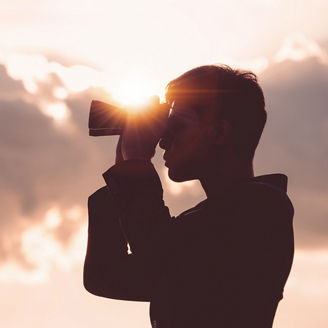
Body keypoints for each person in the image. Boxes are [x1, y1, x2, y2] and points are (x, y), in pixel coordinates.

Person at [83, 65, 294, 328]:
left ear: (218, 132)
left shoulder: (263, 211)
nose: (162, 141)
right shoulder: (203, 222)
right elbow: (105, 276)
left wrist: (136, 162)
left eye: (177, 128)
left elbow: (156, 256)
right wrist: (125, 163)